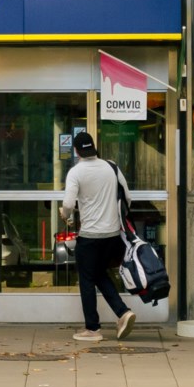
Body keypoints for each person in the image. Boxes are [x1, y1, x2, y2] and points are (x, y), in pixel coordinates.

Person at [58, 128, 135, 343]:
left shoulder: (76, 172)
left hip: (90, 236)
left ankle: (92, 329)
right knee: (99, 274)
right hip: (112, 235)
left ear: (76, 151)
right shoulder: (111, 167)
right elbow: (128, 198)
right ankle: (123, 313)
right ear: (94, 147)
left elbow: (68, 204)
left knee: (86, 279)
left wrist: (64, 214)